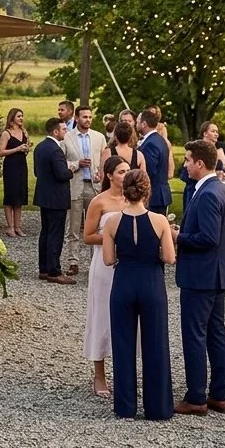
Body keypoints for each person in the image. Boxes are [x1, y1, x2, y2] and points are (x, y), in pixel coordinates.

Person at [103, 169, 175, 420]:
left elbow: (109, 259)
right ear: (147, 191)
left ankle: (125, 407)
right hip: (151, 282)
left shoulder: (112, 221)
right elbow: (169, 257)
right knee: (156, 344)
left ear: (125, 190)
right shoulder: (160, 220)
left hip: (123, 282)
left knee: (123, 344)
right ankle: (157, 408)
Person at [174, 140, 225, 416]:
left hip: (201, 275)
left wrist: (178, 237)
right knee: (216, 334)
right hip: (217, 274)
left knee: (195, 335)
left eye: (188, 160)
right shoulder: (220, 188)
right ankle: (219, 394)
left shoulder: (209, 193)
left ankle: (197, 397)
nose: (185, 165)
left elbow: (209, 238)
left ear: (200, 163)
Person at [81, 156, 131, 397]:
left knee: (130, 318)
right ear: (110, 175)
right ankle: (99, 374)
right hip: (104, 265)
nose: (125, 175)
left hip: (130, 265)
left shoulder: (134, 199)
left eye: (128, 171)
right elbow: (87, 235)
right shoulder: (99, 202)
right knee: (102, 316)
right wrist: (112, 237)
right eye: (121, 172)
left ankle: (126, 371)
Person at [34, 118, 77, 284]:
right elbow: (61, 174)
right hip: (56, 197)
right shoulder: (55, 150)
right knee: (55, 234)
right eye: (64, 129)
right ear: (55, 131)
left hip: (44, 195)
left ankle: (43, 268)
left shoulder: (40, 147)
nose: (66, 132)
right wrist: (71, 169)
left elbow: (38, 172)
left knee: (45, 232)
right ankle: (54, 270)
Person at [63, 106, 103, 275]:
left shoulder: (99, 137)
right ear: (77, 118)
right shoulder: (66, 137)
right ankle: (73, 261)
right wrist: (76, 164)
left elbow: (104, 159)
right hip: (75, 183)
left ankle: (96, 261)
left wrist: (101, 172)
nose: (87, 119)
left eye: (90, 117)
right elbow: (60, 162)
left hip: (94, 185)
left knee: (95, 226)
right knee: (73, 226)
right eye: (84, 117)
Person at [180, 122, 225, 215]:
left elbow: (220, 169)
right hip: (193, 190)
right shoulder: (196, 149)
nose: (216, 134)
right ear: (205, 133)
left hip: (212, 190)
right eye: (213, 131)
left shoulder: (219, 150)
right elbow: (185, 174)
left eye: (217, 132)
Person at [0, 108, 30, 238]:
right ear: (12, 119)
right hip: (10, 166)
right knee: (10, 196)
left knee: (20, 196)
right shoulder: (6, 133)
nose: (21, 118)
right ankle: (10, 227)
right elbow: (1, 152)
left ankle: (17, 226)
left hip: (22, 165)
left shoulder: (24, 132)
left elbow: (26, 148)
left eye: (22, 116)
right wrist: (17, 148)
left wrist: (26, 148)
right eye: (18, 116)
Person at [136, 110, 172, 216]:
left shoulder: (150, 144)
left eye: (137, 121)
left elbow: (149, 171)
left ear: (144, 124)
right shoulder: (160, 140)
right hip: (160, 194)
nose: (136, 124)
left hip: (154, 196)